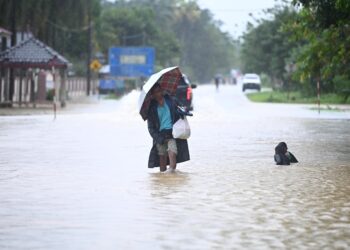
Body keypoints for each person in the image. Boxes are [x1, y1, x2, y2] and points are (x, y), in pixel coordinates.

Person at [147, 84, 190, 172]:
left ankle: (171, 176)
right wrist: (160, 139)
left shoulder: (171, 100)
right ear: (153, 95)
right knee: (162, 161)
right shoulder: (151, 109)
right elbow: (151, 128)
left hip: (172, 133)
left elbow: (182, 107)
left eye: (159, 90)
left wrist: (184, 110)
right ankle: (164, 181)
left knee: (172, 154)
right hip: (160, 136)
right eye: (156, 92)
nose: (159, 93)